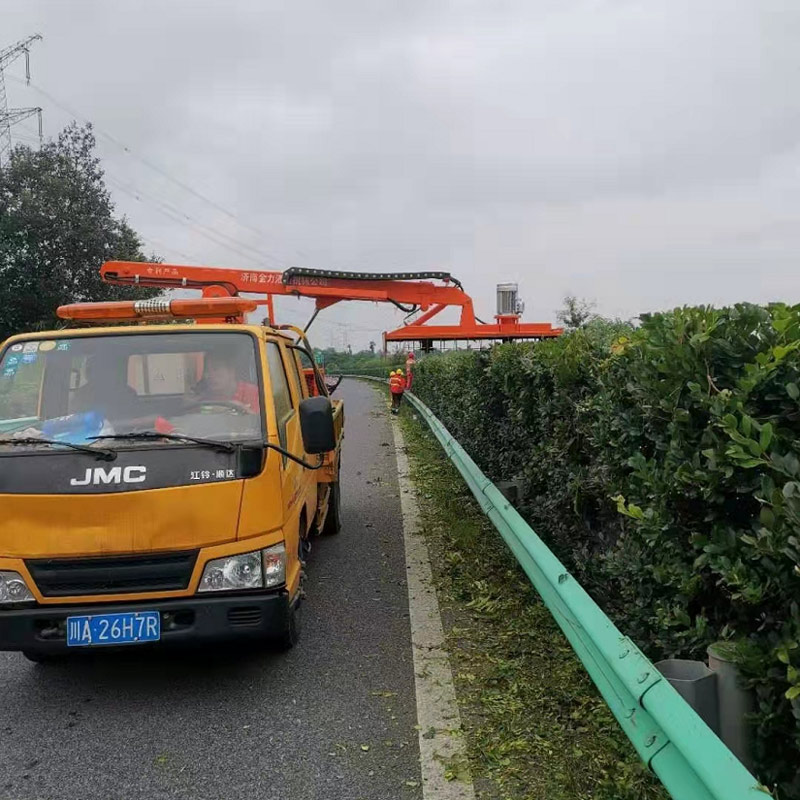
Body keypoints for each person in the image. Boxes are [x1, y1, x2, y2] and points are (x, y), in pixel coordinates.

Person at [189, 350, 260, 413]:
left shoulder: (254, 393)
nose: (210, 375)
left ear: (231, 371)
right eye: (207, 371)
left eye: (216, 369)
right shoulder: (205, 398)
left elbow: (259, 420)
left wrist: (241, 408)